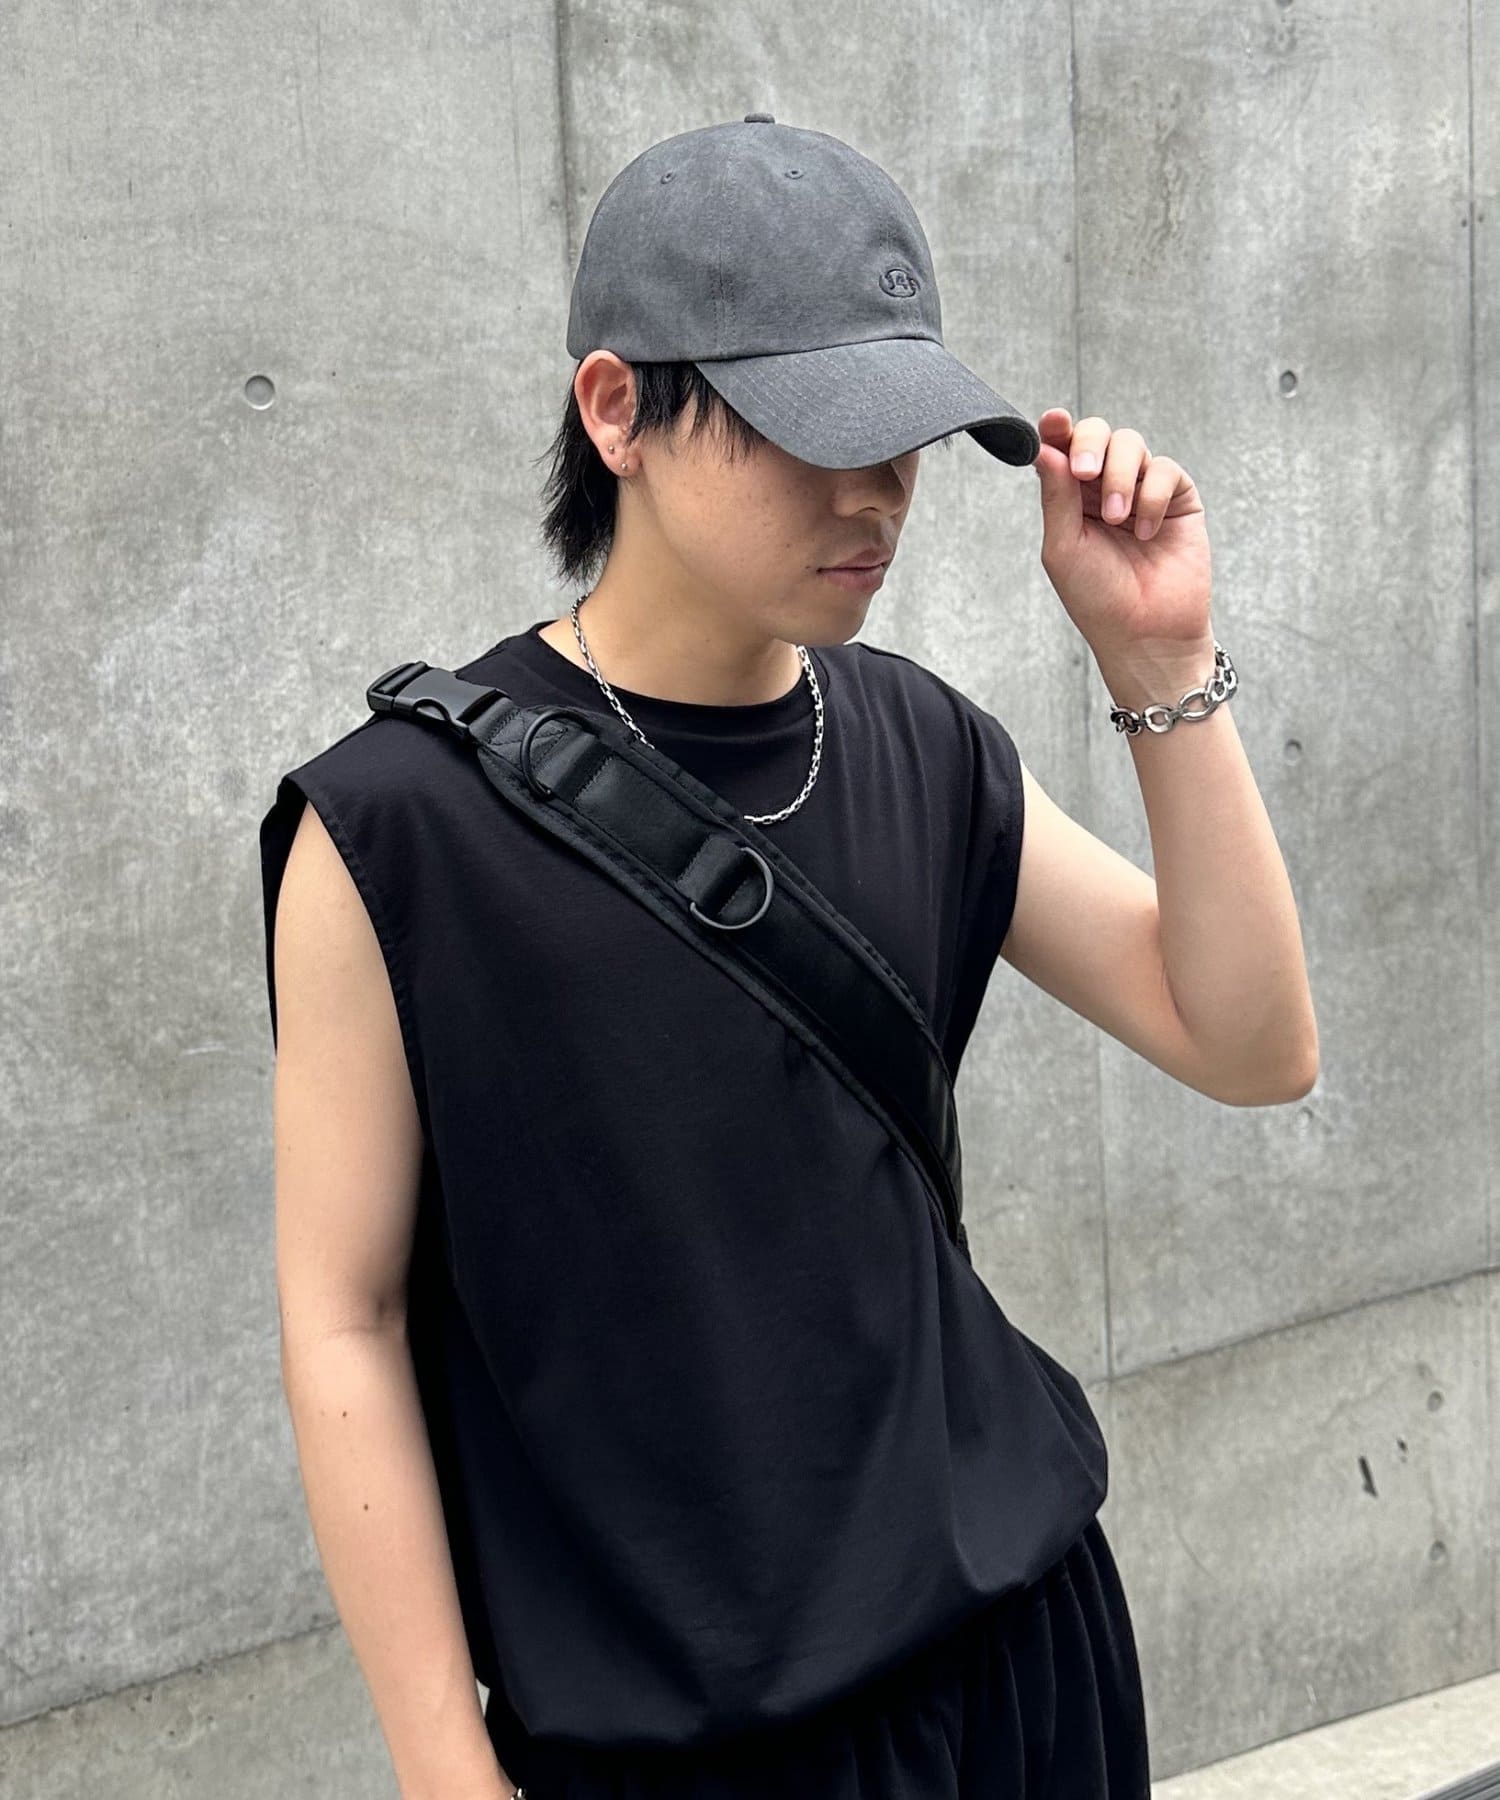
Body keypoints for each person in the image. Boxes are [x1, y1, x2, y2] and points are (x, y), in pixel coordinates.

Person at [259, 117, 1317, 1799]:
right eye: (809, 432)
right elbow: (345, 1315)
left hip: (1023, 1653)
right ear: (618, 411)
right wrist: (442, 1766)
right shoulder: (399, 828)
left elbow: (1251, 1045)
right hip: (684, 1737)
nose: (872, 494)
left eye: (902, 437)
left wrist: (1159, 660)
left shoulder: (921, 743)